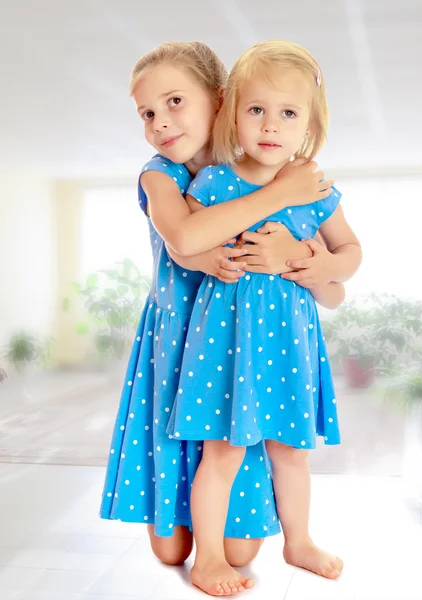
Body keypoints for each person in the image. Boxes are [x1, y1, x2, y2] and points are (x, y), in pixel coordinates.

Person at [99, 40, 340, 594]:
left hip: (240, 350)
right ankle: (192, 536)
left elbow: (333, 291)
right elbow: (185, 237)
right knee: (168, 552)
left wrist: (299, 257)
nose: (161, 122)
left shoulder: (265, 172)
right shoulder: (164, 175)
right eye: (147, 113)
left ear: (220, 99)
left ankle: (250, 541)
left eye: (175, 102)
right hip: (177, 342)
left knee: (241, 537)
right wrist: (281, 191)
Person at [167, 40, 362, 596]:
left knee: (292, 453)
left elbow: (349, 254)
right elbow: (187, 245)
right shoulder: (215, 184)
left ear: (309, 126)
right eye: (256, 109)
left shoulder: (317, 192)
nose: (270, 125)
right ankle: (208, 560)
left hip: (290, 345)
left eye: (288, 112)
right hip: (225, 345)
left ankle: (298, 541)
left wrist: (315, 261)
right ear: (233, 114)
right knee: (221, 453)